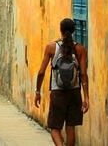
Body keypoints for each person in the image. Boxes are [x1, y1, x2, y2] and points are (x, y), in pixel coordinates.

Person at [35, 18, 89, 146]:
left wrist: (37, 91)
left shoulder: (51, 48)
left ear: (61, 30)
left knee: (55, 127)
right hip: (74, 92)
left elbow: (41, 72)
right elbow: (83, 74)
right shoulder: (80, 49)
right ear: (74, 30)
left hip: (57, 93)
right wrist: (86, 97)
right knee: (70, 128)